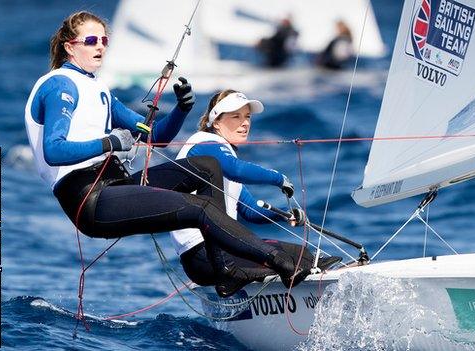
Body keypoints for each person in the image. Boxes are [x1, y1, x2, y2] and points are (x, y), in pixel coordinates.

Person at [23, 11, 312, 290]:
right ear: (68, 47)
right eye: (91, 41)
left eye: (104, 41)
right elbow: (54, 150)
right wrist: (111, 143)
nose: (100, 47)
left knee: (207, 165)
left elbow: (155, 138)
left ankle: (224, 267)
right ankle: (272, 263)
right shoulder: (59, 84)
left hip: (114, 184)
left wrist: (181, 110)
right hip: (88, 198)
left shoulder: (98, 89)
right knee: (198, 207)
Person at [172, 90, 341, 297]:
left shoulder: (220, 158)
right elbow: (237, 170)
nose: (245, 123)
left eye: (248, 117)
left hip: (223, 250)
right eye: (236, 117)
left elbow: (250, 211)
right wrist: (278, 178)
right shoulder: (205, 143)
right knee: (293, 263)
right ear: (216, 122)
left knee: (302, 255)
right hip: (202, 255)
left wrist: (284, 215)